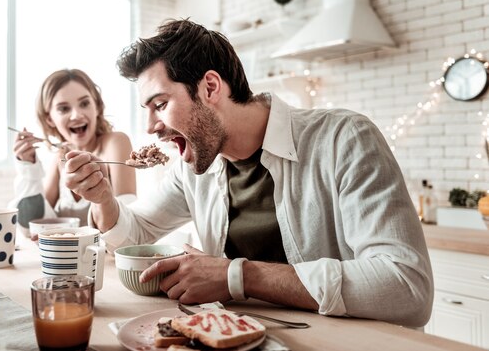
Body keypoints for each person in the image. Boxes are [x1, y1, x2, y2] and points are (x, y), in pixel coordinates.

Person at [62, 20, 433, 327]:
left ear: (210, 87)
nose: (150, 126)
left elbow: (405, 286)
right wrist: (103, 198)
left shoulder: (343, 139)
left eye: (160, 105)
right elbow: (136, 236)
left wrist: (233, 276)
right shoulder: (195, 168)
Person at [10, 68, 136, 234]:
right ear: (50, 119)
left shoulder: (116, 143)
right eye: (63, 109)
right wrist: (28, 165)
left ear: (97, 107)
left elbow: (128, 218)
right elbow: (38, 220)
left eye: (84, 104)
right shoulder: (60, 156)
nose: (76, 115)